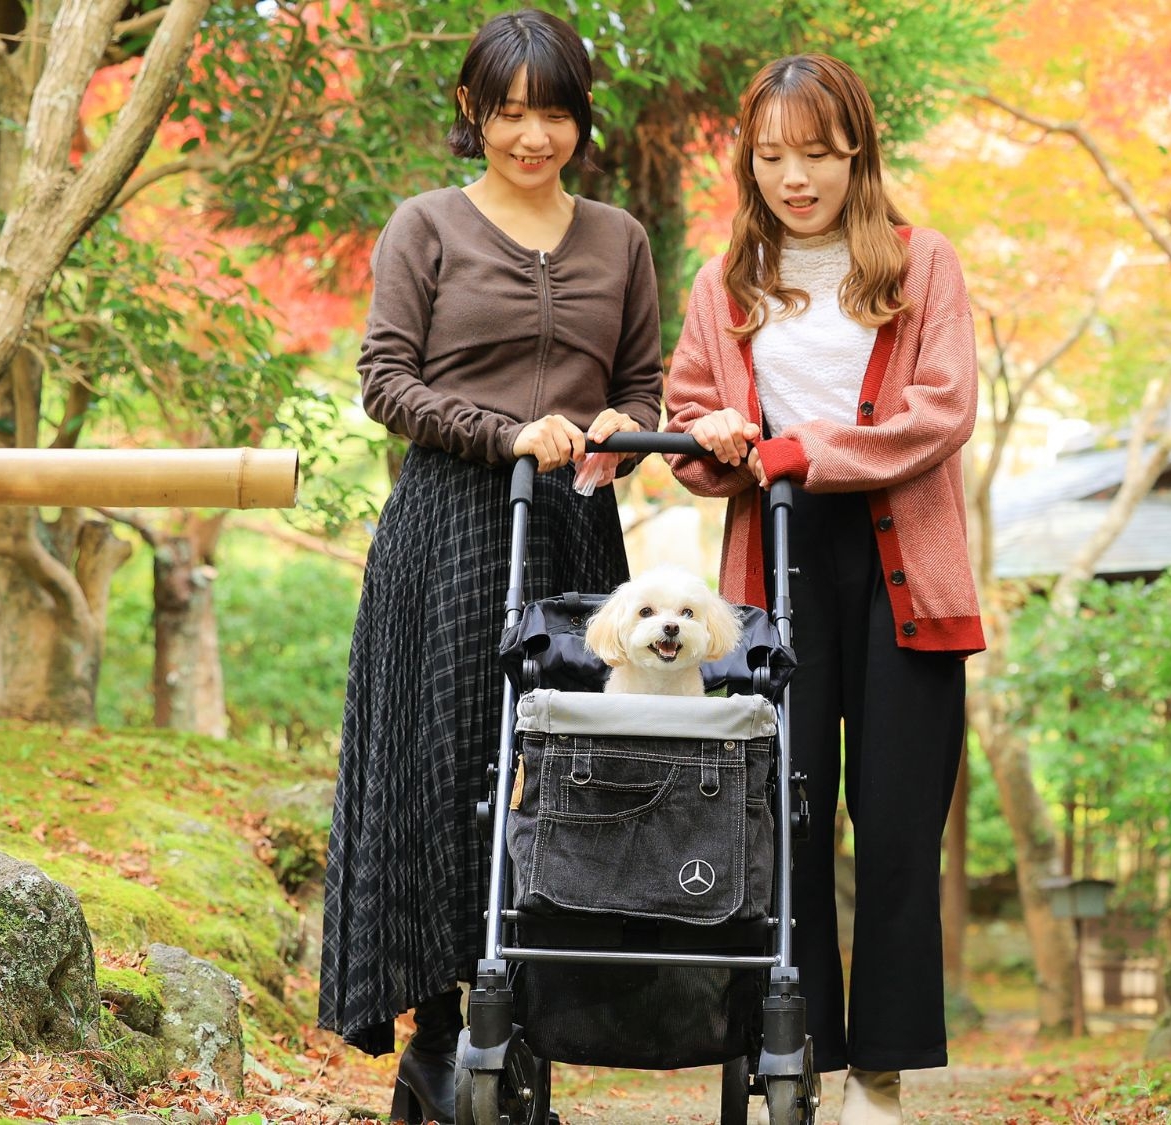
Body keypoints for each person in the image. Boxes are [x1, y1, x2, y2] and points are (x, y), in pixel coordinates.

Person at [318, 10, 664, 1121]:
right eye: (509, 112)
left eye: (552, 111)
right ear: (473, 111)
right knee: (447, 771)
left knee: (562, 779)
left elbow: (647, 385)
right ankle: (438, 1035)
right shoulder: (424, 225)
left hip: (572, 532)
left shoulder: (619, 238)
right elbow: (385, 381)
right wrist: (500, 431)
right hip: (449, 529)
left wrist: (618, 422)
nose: (531, 136)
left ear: (578, 116)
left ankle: (529, 1037)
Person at [664, 53, 981, 1125]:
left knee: (894, 823)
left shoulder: (919, 264)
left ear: (857, 152)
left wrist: (807, 450)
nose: (794, 176)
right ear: (747, 162)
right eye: (770, 155)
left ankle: (878, 1074)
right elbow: (696, 438)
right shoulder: (724, 285)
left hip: (905, 570)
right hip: (773, 568)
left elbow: (939, 416)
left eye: (816, 152)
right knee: (782, 819)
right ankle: (789, 1050)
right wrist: (714, 442)